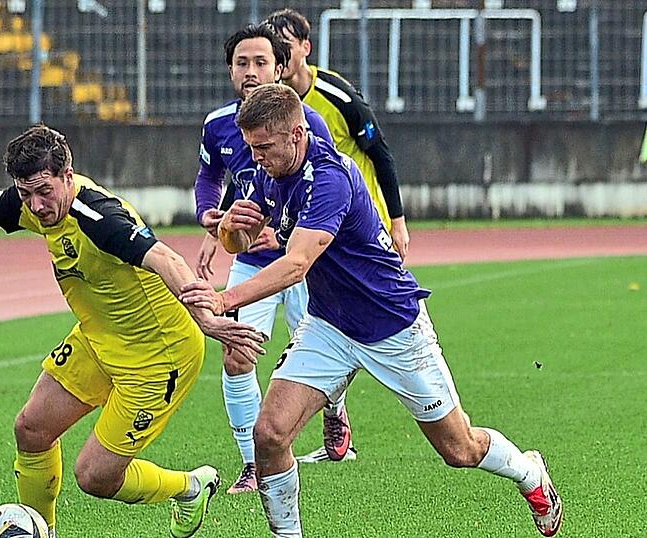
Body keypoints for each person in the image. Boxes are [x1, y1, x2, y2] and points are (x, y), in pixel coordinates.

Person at [180, 84, 563, 537]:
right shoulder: (270, 173)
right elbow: (246, 242)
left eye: (263, 147)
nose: (256, 157)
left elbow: (296, 263)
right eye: (251, 148)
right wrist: (231, 230)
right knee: (270, 434)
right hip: (329, 327)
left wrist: (224, 300)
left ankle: (529, 473)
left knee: (459, 448)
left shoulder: (330, 178)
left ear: (296, 134)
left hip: (393, 326)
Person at [0, 124, 266, 538]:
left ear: (68, 175)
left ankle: (189, 487)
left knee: (95, 476)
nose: (36, 205)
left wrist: (206, 317)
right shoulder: (33, 201)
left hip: (159, 357)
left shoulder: (99, 217)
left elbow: (166, 258)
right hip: (99, 339)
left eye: (44, 191)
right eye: (26, 193)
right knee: (31, 429)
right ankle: (40, 530)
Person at [193, 23, 353, 496]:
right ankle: (252, 464)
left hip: (307, 263)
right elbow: (209, 179)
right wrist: (216, 220)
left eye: (261, 62)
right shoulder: (218, 125)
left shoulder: (305, 123)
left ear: (280, 68)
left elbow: (327, 193)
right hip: (252, 263)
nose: (251, 71)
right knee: (237, 352)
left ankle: (333, 411)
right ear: (230, 71)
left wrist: (276, 227)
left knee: (323, 356)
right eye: (242, 63)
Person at [265, 7, 410, 464]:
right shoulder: (268, 116)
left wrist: (399, 219)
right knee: (319, 318)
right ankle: (333, 407)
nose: (279, 55)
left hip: (360, 225)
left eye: (285, 46)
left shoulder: (335, 96)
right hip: (314, 228)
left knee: (355, 310)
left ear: (305, 48)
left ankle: (334, 401)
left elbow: (379, 151)